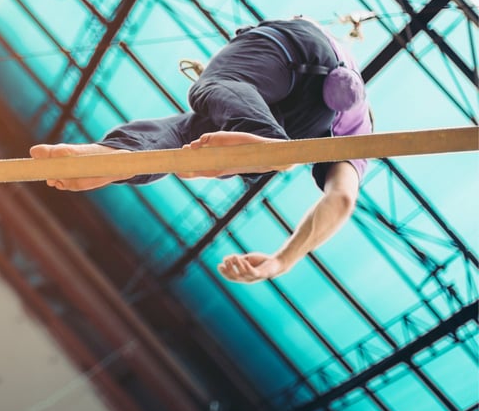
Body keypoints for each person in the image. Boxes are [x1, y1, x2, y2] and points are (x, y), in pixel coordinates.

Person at [30, 16, 373, 284]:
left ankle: (120, 151)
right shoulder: (360, 124)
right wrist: (281, 261)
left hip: (294, 47)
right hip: (317, 118)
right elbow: (342, 198)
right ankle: (121, 157)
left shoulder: (308, 28)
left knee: (209, 95)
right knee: (198, 137)